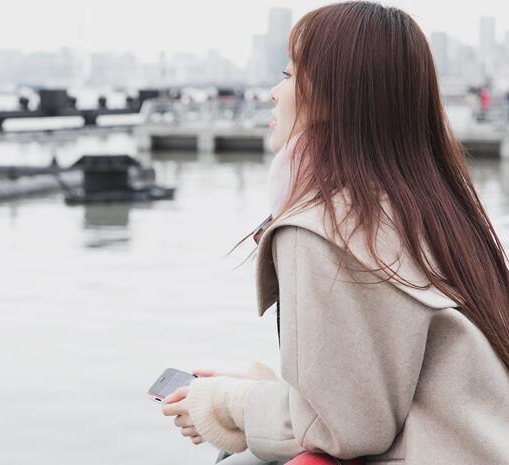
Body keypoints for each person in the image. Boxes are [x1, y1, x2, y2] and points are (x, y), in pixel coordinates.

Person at [161, 2, 509, 464]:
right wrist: (259, 390)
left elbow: (345, 429)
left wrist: (224, 402)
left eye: (286, 76)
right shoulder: (436, 207)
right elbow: (393, 390)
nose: (271, 93)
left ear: (329, 95)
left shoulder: (324, 225)